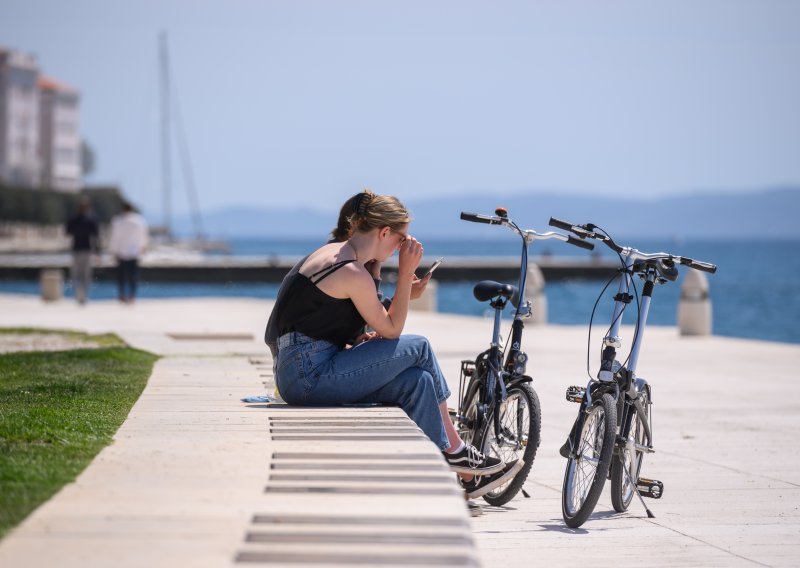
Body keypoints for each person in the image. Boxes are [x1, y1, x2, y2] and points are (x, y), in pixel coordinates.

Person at [268, 189, 523, 499]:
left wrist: (376, 276)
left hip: (304, 368)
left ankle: (466, 478)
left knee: (417, 381)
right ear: (384, 231)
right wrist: (404, 276)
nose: (403, 246)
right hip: (308, 375)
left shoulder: (339, 255)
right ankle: (456, 450)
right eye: (400, 240)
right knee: (420, 347)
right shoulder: (350, 270)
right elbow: (391, 330)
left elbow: (328, 316)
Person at [108, 202, 148, 303]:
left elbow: (114, 238)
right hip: (134, 252)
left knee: (121, 276)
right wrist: (143, 247)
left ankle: (122, 295)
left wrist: (113, 251)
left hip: (121, 252)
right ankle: (132, 296)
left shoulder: (117, 221)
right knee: (133, 276)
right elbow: (143, 236)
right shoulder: (139, 221)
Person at [65, 197, 99, 305]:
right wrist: (98, 251)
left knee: (80, 274)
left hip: (79, 249)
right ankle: (81, 296)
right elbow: (96, 236)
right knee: (82, 274)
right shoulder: (89, 219)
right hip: (83, 250)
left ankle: (80, 296)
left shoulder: (74, 219)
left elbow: (67, 232)